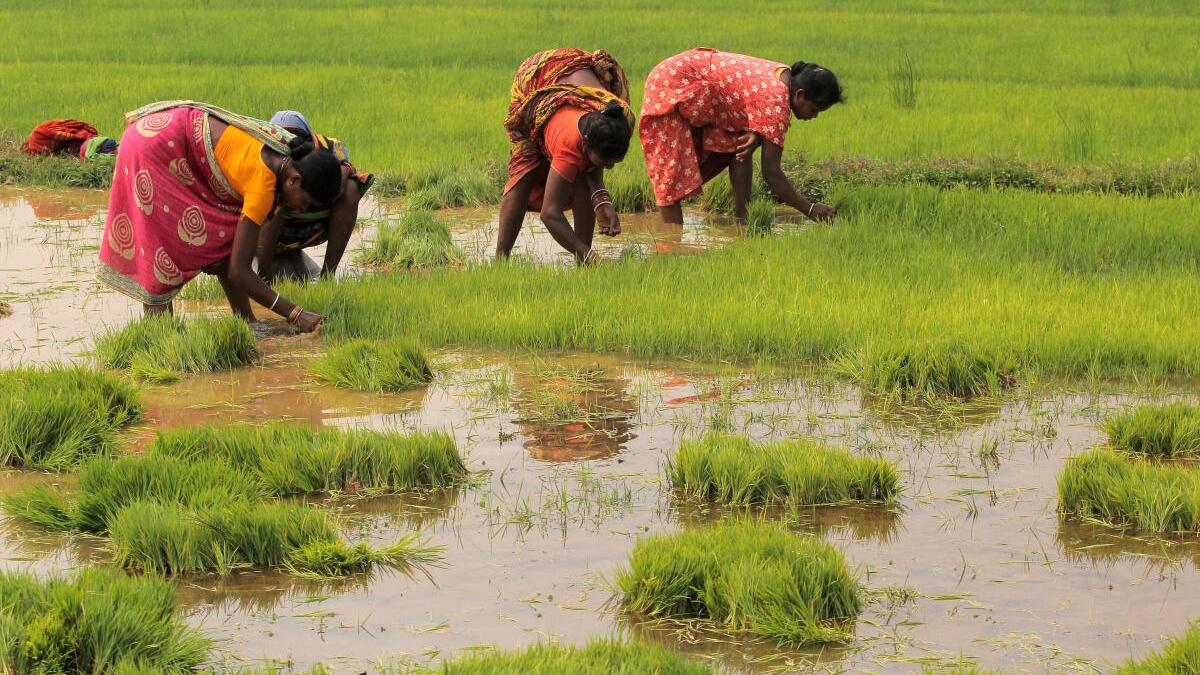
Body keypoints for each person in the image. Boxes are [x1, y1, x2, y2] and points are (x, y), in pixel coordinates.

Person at [96, 100, 342, 332]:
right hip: (153, 148)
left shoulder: (287, 148)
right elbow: (239, 270)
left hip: (171, 134)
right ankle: (159, 332)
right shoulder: (262, 186)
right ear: (295, 180)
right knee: (161, 240)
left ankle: (247, 322)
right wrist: (297, 314)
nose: (299, 210)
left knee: (226, 235)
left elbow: (234, 255)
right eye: (305, 202)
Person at [640, 48, 844, 225]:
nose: (814, 116)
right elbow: (771, 173)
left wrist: (755, 136)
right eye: (815, 109)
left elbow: (750, 115)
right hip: (673, 83)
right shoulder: (776, 102)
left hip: (688, 73)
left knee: (740, 145)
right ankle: (672, 246)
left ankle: (742, 219)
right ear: (799, 95)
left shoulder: (783, 75)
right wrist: (809, 209)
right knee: (670, 177)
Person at [497, 48, 635, 264]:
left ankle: (583, 267)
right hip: (535, 78)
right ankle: (500, 261)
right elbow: (550, 214)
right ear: (585, 142)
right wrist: (588, 254)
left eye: (613, 163)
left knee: (583, 171)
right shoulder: (568, 148)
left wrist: (601, 198)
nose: (608, 169)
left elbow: (591, 164)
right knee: (525, 170)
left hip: (574, 71)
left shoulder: (619, 117)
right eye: (604, 163)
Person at [254, 110, 374, 283]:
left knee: (351, 189)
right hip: (260, 233)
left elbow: (346, 166)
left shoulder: (326, 147)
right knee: (273, 202)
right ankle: (265, 280)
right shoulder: (262, 152)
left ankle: (327, 278)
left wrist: (331, 186)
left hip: (309, 229)